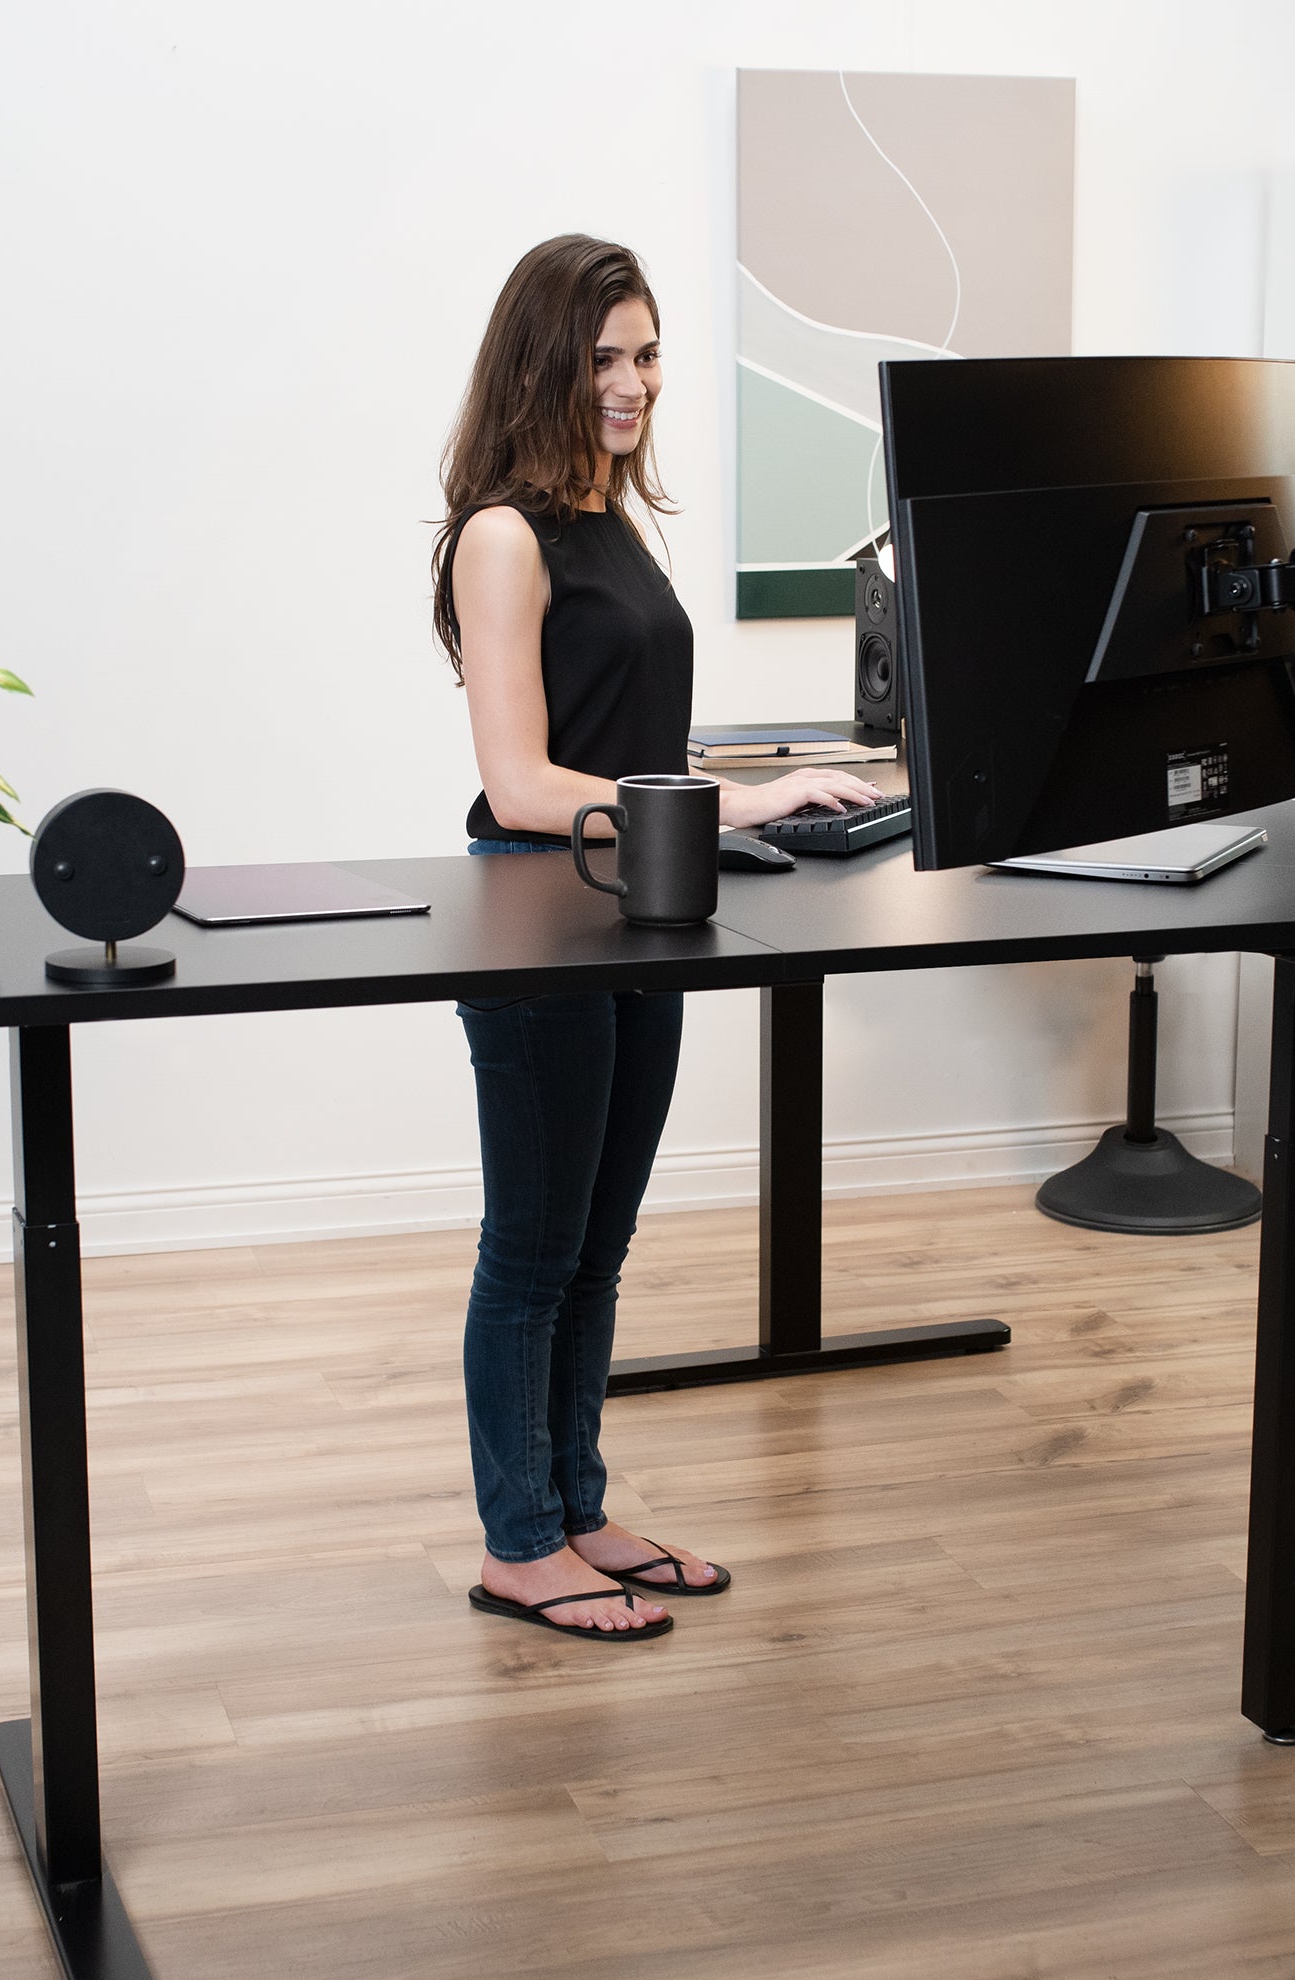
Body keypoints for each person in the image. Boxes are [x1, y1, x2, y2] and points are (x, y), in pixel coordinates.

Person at [433, 235, 881, 1641]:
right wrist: (734, 801)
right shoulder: (503, 536)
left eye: (646, 353)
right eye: (606, 356)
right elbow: (521, 781)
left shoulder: (613, 518)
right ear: (543, 364)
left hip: (637, 911)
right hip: (537, 910)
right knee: (533, 1246)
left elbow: (630, 737)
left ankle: (578, 1510)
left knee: (599, 1241)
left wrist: (761, 787)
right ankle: (519, 1544)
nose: (634, 383)